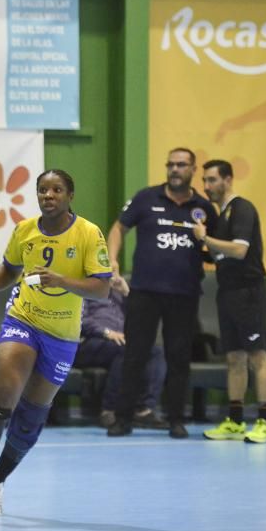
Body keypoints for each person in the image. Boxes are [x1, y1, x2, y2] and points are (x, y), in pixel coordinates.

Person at [0, 169, 112, 518]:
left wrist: (62, 280)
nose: (49, 195)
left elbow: (102, 288)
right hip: (23, 319)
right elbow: (10, 270)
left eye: (56, 190)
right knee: (2, 402)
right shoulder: (25, 230)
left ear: (70, 195)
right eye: (43, 190)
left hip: (62, 335)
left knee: (30, 417)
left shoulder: (88, 234)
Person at [107, 148, 218, 439]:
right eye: (170, 164)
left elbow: (216, 246)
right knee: (135, 355)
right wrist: (112, 259)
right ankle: (123, 418)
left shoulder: (204, 208)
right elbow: (119, 227)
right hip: (144, 292)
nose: (174, 169)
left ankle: (176, 420)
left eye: (181, 165)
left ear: (193, 169)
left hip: (184, 294)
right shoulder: (146, 198)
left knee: (179, 357)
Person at [195, 159, 266, 444]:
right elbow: (218, 256)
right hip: (227, 292)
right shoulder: (220, 216)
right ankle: (236, 421)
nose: (207, 186)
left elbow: (240, 251)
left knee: (257, 355)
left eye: (212, 180)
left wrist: (206, 239)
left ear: (228, 180)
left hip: (248, 291)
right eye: (204, 180)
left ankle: (265, 422)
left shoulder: (242, 208)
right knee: (234, 358)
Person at [76, 272, 167, 429]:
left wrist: (127, 293)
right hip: (90, 342)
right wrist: (106, 333)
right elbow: (79, 320)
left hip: (122, 342)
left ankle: (144, 410)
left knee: (156, 352)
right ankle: (109, 410)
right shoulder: (84, 287)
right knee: (124, 350)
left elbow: (143, 316)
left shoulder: (119, 294)